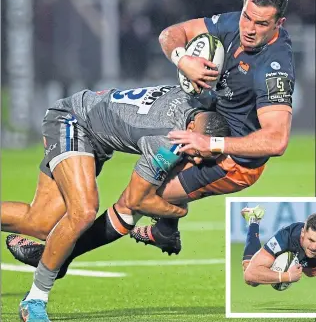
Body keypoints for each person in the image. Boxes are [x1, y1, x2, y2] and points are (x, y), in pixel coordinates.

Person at [2, 84, 230, 322]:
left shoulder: (201, 100)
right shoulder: (166, 142)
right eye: (197, 152)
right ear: (191, 127)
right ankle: (35, 299)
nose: (194, 158)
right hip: (71, 121)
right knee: (83, 212)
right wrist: (178, 210)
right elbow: (136, 200)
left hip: (91, 130)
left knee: (40, 223)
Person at [129, 0, 295, 251]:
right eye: (247, 17)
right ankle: (165, 232)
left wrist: (211, 145)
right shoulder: (231, 24)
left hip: (234, 162)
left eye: (261, 24)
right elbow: (171, 33)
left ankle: (160, 230)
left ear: (279, 23)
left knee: (147, 194)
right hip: (210, 128)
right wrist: (183, 60)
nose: (249, 29)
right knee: (148, 176)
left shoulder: (274, 68)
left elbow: (277, 141)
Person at [241, 206, 316, 285]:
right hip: (289, 248)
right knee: (253, 280)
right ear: (303, 233)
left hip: (307, 259)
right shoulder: (285, 238)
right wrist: (287, 276)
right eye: (311, 240)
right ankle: (254, 220)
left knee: (311, 273)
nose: (314, 247)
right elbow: (250, 275)